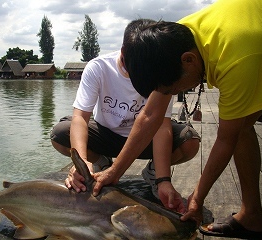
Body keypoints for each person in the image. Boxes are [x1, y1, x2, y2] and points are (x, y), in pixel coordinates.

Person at [92, 0, 262, 238]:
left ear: (189, 60)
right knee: (244, 126)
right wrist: (114, 171)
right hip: (250, 41)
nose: (168, 96)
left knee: (239, 129)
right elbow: (150, 115)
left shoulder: (236, 57)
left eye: (171, 90)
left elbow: (226, 139)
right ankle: (252, 217)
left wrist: (196, 198)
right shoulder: (172, 40)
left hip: (252, 48)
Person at [50, 19, 201, 214]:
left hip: (144, 140)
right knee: (60, 133)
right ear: (123, 52)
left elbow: (161, 126)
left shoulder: (160, 70)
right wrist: (81, 160)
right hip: (107, 134)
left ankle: (154, 172)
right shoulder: (98, 67)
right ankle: (100, 162)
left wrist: (164, 179)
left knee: (190, 141)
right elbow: (80, 117)